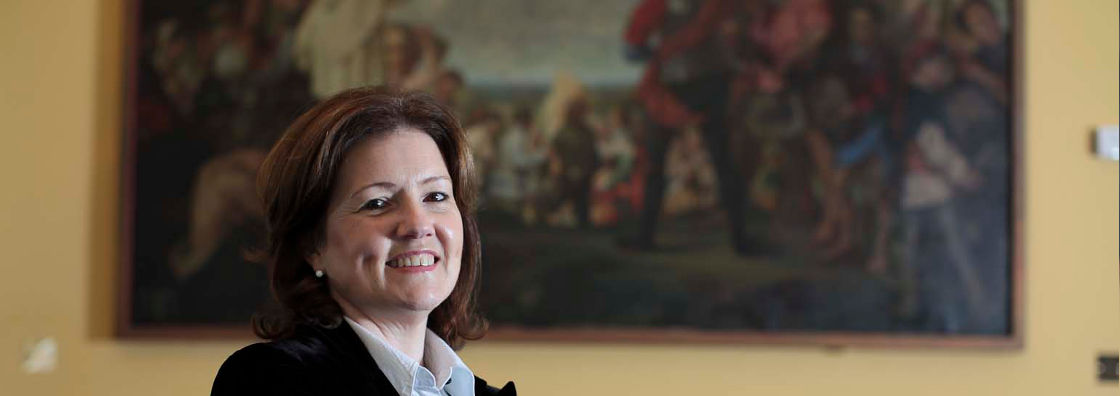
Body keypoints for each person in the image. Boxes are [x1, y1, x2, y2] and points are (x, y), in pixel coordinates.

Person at [212, 88, 515, 396]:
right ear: (312, 245)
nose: (418, 225)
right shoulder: (270, 379)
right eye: (377, 203)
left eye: (435, 196)